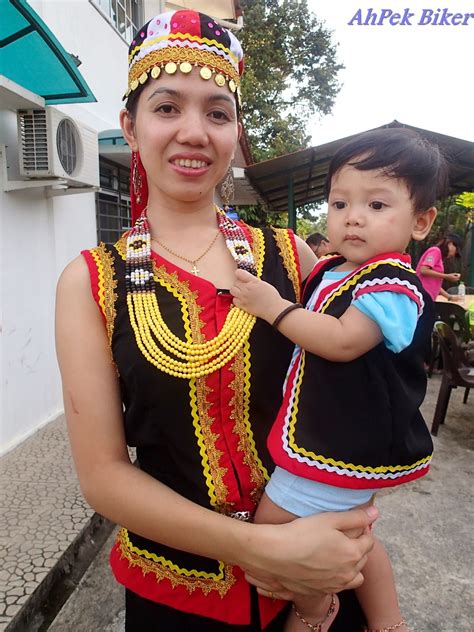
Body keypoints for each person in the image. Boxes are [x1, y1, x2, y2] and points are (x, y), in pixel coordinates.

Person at [55, 10, 377, 631]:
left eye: (218, 113)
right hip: (178, 593)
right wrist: (265, 549)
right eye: (168, 107)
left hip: (318, 571)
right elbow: (103, 476)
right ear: (131, 125)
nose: (194, 132)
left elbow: (352, 400)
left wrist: (347, 516)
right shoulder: (91, 283)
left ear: (235, 132)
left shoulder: (292, 256)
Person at [231, 127, 445, 632]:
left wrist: (273, 307)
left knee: (274, 533)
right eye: (340, 202)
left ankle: (312, 611)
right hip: (336, 437)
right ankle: (388, 622)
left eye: (376, 205)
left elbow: (344, 340)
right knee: (353, 537)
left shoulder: (392, 283)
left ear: (421, 222)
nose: (352, 216)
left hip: (343, 440)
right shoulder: (335, 268)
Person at [416, 235, 462, 300]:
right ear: (450, 244)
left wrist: (449, 297)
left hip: (429, 298)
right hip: (422, 296)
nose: (454, 254)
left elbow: (435, 284)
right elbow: (423, 270)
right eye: (456, 250)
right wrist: (446, 276)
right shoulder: (435, 251)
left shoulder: (440, 256)